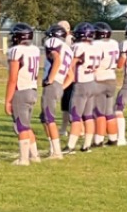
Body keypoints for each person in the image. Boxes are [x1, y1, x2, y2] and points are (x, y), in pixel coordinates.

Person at [5, 22, 43, 165]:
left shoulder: (16, 51)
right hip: (32, 89)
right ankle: (34, 156)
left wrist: (7, 100)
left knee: (21, 126)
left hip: (21, 90)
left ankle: (24, 159)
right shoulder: (34, 49)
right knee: (26, 125)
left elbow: (13, 78)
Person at [40, 20, 73, 159]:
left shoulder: (53, 43)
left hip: (53, 84)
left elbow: (57, 59)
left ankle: (57, 152)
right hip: (60, 84)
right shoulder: (68, 49)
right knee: (44, 118)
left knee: (49, 118)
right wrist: (60, 86)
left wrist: (50, 80)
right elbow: (71, 76)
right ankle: (53, 148)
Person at [67, 23, 98, 151]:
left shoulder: (77, 47)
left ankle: (70, 146)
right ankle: (87, 145)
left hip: (81, 84)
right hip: (92, 82)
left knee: (75, 115)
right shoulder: (95, 47)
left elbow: (71, 63)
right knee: (88, 116)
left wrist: (68, 77)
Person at [94, 21, 121, 146]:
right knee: (109, 111)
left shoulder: (96, 44)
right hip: (111, 77)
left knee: (99, 112)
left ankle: (98, 140)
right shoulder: (114, 43)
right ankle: (113, 138)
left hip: (99, 78)